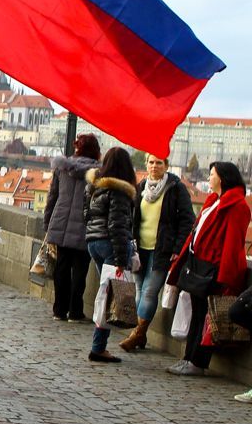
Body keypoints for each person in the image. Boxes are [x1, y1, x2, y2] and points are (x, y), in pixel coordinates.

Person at [165, 161, 250, 376]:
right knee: (197, 314)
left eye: (211, 174)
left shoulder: (237, 205)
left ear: (221, 178)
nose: (208, 178)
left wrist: (225, 277)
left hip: (214, 271)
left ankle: (198, 362)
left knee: (207, 317)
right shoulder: (214, 201)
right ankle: (188, 358)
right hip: (198, 267)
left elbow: (232, 245)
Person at [119, 152, 193, 352]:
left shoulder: (176, 188)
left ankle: (137, 333)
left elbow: (187, 220)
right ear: (146, 164)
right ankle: (140, 336)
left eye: (159, 163)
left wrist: (178, 248)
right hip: (139, 249)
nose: (154, 166)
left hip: (162, 250)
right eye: (151, 162)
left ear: (166, 165)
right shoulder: (140, 188)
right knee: (138, 291)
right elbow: (131, 216)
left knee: (150, 292)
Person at [82, 148, 138, 363]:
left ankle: (99, 346)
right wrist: (122, 259)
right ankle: (98, 348)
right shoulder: (119, 191)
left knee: (104, 294)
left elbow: (85, 215)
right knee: (108, 298)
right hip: (110, 245)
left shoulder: (93, 186)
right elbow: (118, 226)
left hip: (93, 243)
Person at [44, 134, 101, 322]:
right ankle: (75, 312)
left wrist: (47, 223)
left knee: (61, 268)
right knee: (80, 271)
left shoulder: (62, 168)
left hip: (60, 222)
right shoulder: (97, 173)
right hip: (85, 226)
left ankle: (59, 310)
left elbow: (52, 197)